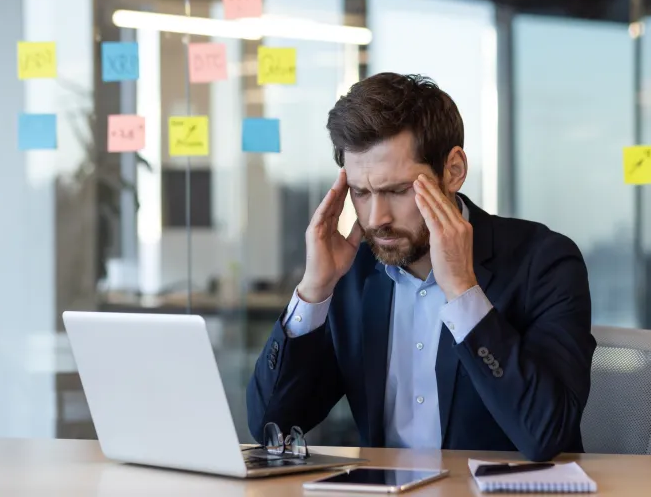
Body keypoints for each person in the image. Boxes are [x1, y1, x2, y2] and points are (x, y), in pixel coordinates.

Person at [246, 73, 596, 462]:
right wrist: (314, 291)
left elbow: (546, 434)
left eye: (396, 191)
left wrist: (463, 291)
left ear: (453, 170)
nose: (376, 218)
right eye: (361, 193)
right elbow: (269, 424)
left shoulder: (543, 262)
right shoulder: (351, 273)